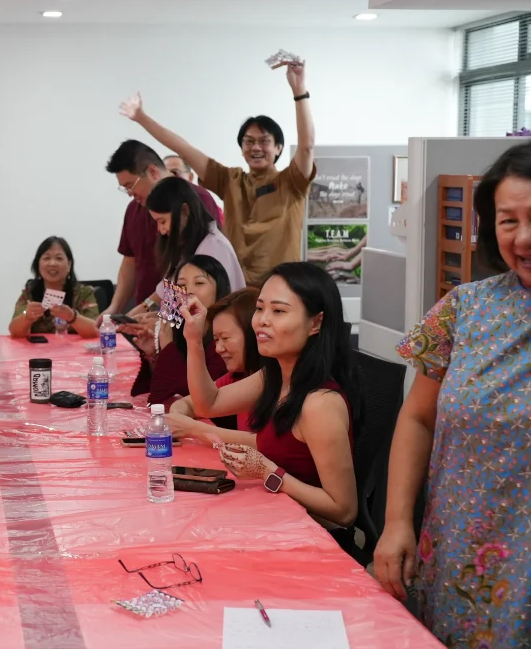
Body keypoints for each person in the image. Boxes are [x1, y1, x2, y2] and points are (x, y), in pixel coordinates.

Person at [373, 142, 531, 648]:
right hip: (460, 554)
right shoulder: (463, 309)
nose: (524, 237)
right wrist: (397, 521)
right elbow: (417, 419)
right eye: (508, 221)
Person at [169, 262, 360, 534]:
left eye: (279, 311)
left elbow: (344, 511)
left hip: (307, 536)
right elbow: (206, 404)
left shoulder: (320, 403)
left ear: (316, 323)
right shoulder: (274, 376)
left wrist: (268, 472)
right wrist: (194, 339)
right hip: (272, 518)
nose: (262, 320)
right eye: (260, 308)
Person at [120, 60, 316, 285]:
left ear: (278, 148)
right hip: (234, 294)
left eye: (264, 141)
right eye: (248, 141)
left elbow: (307, 146)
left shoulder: (291, 182)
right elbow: (184, 149)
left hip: (278, 291)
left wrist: (300, 91)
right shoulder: (230, 181)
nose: (255, 147)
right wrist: (141, 117)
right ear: (241, 148)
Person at [101, 140, 225, 322]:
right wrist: (115, 307)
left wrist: (157, 311)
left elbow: (196, 271)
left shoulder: (197, 200)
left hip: (189, 319)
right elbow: (130, 260)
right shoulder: (134, 209)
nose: (129, 193)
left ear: (152, 171)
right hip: (151, 318)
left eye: (130, 186)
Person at [126, 177, 245, 321]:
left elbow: (203, 309)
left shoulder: (213, 248)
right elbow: (170, 296)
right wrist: (152, 315)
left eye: (162, 221)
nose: (161, 230)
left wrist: (162, 321)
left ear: (184, 211)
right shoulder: (188, 246)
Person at [131, 255, 231, 411]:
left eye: (199, 283)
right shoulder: (179, 328)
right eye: (181, 285)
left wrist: (168, 348)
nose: (189, 291)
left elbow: (196, 393)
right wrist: (155, 355)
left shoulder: (225, 334)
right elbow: (162, 389)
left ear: (219, 289)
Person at [169, 287, 261, 432]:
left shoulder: (276, 378)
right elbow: (193, 403)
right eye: (216, 340)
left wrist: (195, 429)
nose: (219, 348)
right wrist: (178, 418)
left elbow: (265, 445)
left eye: (225, 338)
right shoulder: (237, 376)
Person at [9, 237, 99, 339]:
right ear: (38, 264)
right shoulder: (30, 292)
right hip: (38, 353)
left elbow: (95, 331)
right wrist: (27, 316)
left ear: (69, 264)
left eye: (59, 258)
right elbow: (15, 333)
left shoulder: (83, 292)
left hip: (74, 353)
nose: (52, 263)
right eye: (47, 258)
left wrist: (72, 317)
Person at [165, 154, 224, 228]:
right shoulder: (156, 202)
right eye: (165, 174)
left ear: (190, 177)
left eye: (174, 173)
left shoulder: (204, 199)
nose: (169, 179)